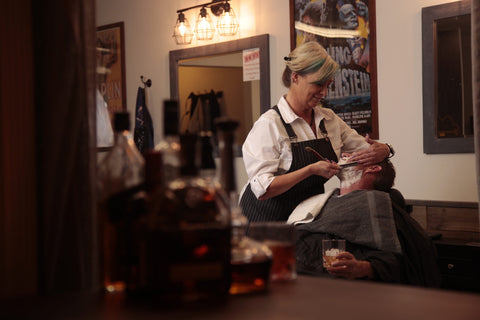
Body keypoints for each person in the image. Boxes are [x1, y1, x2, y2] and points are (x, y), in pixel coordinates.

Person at [239, 41, 394, 222]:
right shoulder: (270, 125)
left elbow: (365, 152)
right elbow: (263, 189)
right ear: (295, 77)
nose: (324, 92)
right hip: (265, 220)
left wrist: (385, 149)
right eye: (319, 85)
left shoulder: (329, 120)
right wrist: (310, 170)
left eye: (328, 85)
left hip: (304, 218)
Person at [289, 157, 441, 287]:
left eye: (354, 153)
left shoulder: (374, 203)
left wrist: (361, 267)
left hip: (331, 287)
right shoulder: (319, 201)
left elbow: (391, 259)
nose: (345, 154)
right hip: (289, 276)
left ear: (373, 167)